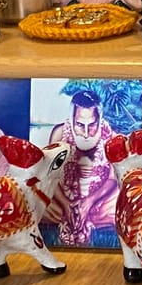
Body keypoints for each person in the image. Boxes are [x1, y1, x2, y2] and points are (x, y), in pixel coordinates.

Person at [47, 89, 118, 243]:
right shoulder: (59, 133)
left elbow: (113, 179)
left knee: (119, 200)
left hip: (99, 200)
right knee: (38, 198)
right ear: (71, 119)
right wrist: (66, 204)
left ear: (100, 120)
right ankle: (74, 215)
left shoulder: (111, 137)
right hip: (63, 198)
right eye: (79, 125)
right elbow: (51, 177)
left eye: (92, 125)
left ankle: (86, 216)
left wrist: (89, 202)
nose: (86, 133)